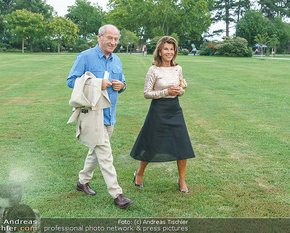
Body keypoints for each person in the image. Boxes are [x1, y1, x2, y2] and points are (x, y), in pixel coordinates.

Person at [67, 24, 133, 209]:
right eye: (109, 38)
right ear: (99, 37)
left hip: (110, 115)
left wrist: (122, 86)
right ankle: (117, 194)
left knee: (95, 151)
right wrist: (96, 83)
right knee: (105, 154)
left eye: (116, 39)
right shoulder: (85, 57)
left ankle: (82, 181)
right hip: (92, 114)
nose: (113, 42)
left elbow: (123, 83)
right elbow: (71, 81)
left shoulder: (117, 60)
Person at [130, 36, 195, 193]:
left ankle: (182, 181)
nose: (169, 52)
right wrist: (166, 91)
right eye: (166, 49)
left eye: (172, 49)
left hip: (175, 109)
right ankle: (139, 174)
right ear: (159, 51)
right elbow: (146, 93)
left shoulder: (178, 69)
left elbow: (181, 90)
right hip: (158, 110)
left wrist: (180, 90)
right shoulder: (153, 70)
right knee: (151, 144)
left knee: (182, 144)